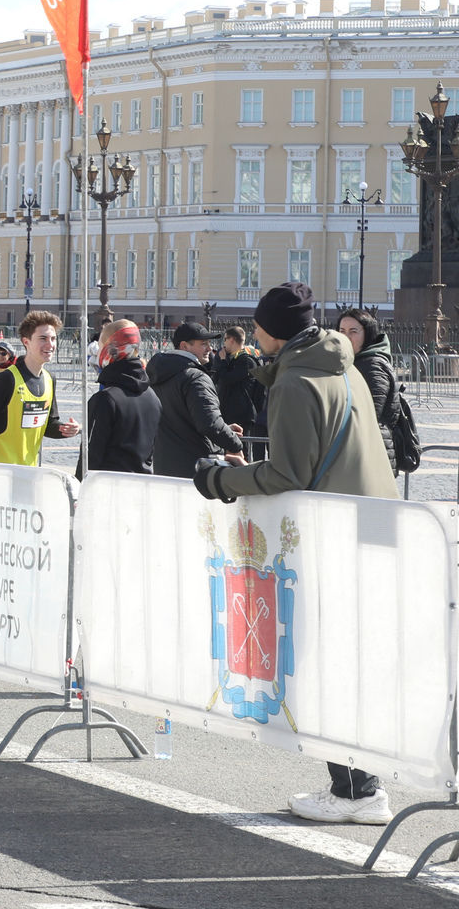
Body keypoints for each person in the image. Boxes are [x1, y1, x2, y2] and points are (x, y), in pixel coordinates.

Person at [192, 282, 396, 826]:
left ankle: (356, 789)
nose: (253, 336)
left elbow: (286, 473)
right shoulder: (341, 367)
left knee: (326, 661)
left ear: (273, 331)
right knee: (348, 659)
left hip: (331, 536)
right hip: (372, 526)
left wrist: (218, 478)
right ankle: (359, 781)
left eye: (258, 327)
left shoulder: (297, 382)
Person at [0, 311, 79, 464]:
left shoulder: (49, 379)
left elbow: (48, 425)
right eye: (43, 338)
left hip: (28, 472)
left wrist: (68, 429)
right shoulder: (7, 379)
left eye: (53, 338)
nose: (50, 344)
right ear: (26, 342)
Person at [147, 321, 245, 479]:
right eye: (203, 344)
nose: (209, 349)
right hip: (195, 468)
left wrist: (225, 428)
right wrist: (234, 444)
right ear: (185, 346)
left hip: (164, 466)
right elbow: (209, 423)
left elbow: (184, 419)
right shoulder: (195, 377)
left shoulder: (158, 375)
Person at [82, 320, 158, 476]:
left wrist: (79, 490)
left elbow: (90, 457)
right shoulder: (152, 396)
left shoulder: (106, 399)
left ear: (111, 351)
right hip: (140, 485)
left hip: (107, 489)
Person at [337, 308, 401, 475]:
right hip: (358, 452)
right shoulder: (353, 361)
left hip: (372, 455)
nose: (346, 337)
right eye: (342, 331)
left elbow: (370, 415)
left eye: (353, 331)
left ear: (368, 334)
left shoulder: (373, 365)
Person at [212, 326, 268, 459]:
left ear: (231, 340)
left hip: (241, 413)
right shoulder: (232, 359)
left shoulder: (246, 361)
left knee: (242, 451)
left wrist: (223, 361)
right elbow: (216, 377)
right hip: (228, 412)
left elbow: (227, 379)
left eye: (225, 340)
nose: (224, 344)